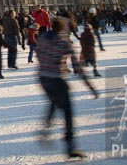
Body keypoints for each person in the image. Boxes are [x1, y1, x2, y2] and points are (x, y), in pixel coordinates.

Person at [37, 17, 98, 159]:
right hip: (56, 79)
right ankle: (70, 145)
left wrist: (47, 64)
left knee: (53, 102)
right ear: (64, 28)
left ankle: (46, 129)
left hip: (43, 77)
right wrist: (90, 86)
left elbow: (39, 54)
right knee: (68, 112)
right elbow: (77, 67)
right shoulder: (64, 43)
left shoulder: (43, 38)